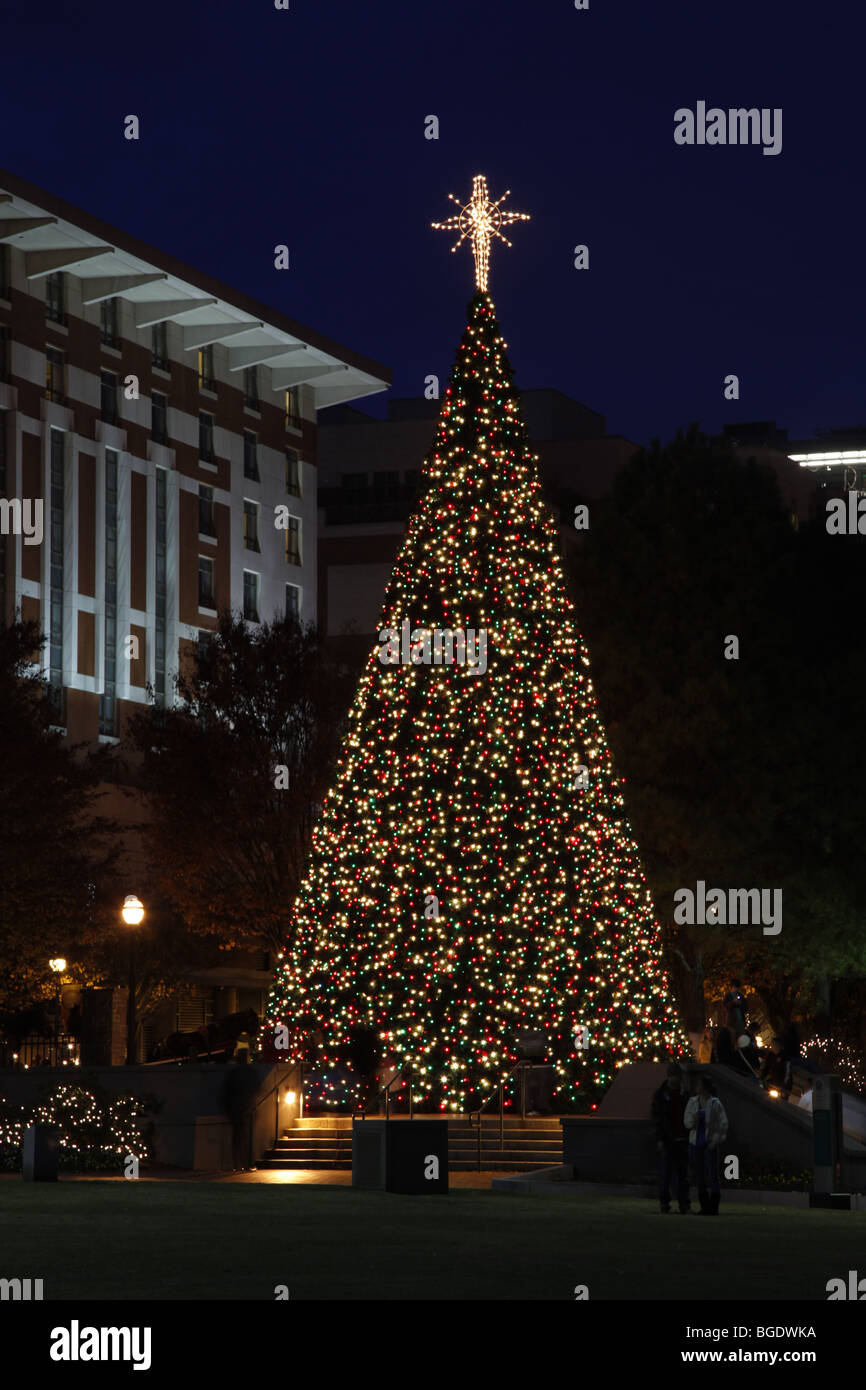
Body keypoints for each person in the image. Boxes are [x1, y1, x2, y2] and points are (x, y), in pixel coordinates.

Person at [685, 1073, 729, 1214]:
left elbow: (723, 1124)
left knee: (712, 1174)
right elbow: (687, 1123)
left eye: (699, 1086)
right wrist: (694, 1119)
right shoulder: (693, 1102)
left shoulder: (715, 1103)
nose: (697, 1088)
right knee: (700, 1175)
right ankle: (705, 1205)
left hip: (709, 1143)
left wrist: (715, 1140)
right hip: (696, 1143)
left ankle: (713, 1206)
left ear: (705, 1088)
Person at [651, 1062, 691, 1214]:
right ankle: (665, 1202)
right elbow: (657, 1118)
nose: (680, 1079)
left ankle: (683, 1203)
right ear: (671, 1076)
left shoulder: (682, 1094)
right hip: (669, 1138)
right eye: (679, 1076)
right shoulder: (661, 1095)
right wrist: (660, 1138)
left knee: (682, 1174)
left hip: (681, 1137)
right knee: (666, 1173)